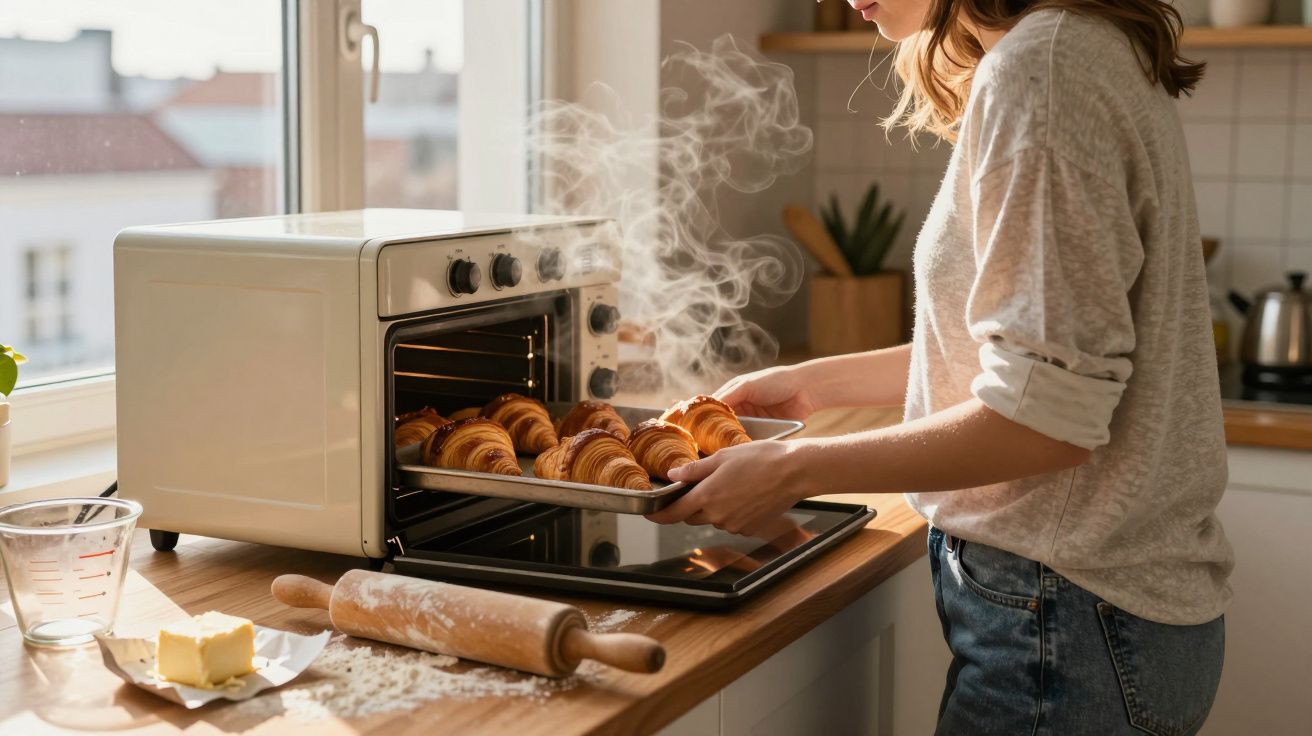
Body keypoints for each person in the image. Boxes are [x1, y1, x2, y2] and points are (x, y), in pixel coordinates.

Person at [646, 0, 1232, 733]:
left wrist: (792, 470)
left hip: (1067, 622)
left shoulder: (1040, 70)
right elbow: (1018, 359)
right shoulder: (1073, 48)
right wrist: (814, 385)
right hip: (1093, 616)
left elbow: (1046, 422)